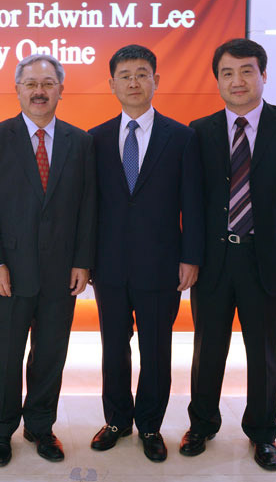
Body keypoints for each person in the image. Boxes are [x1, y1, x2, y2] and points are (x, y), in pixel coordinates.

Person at [181, 38, 276, 471]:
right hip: (215, 261)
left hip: (267, 260)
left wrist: (264, 231)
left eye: (246, 71)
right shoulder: (198, 132)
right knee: (207, 349)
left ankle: (262, 432)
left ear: (263, 75)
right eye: (227, 73)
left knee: (265, 352)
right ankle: (202, 424)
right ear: (217, 79)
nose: (236, 81)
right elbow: (194, 199)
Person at [0, 53, 96, 467]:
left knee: (50, 355)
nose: (39, 91)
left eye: (48, 83)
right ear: (17, 89)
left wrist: (82, 261)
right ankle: (0, 431)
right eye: (31, 83)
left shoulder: (81, 141)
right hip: (7, 272)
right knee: (4, 356)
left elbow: (88, 206)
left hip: (62, 274)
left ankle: (41, 427)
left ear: (61, 88)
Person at [87, 44, 204, 462]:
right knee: (113, 346)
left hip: (162, 265)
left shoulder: (182, 137)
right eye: (125, 75)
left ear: (156, 79)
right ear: (112, 83)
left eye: (142, 74)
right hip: (110, 266)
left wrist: (190, 257)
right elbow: (89, 208)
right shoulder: (95, 139)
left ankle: (150, 425)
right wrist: (85, 262)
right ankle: (117, 420)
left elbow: (192, 203)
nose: (134, 82)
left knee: (157, 348)